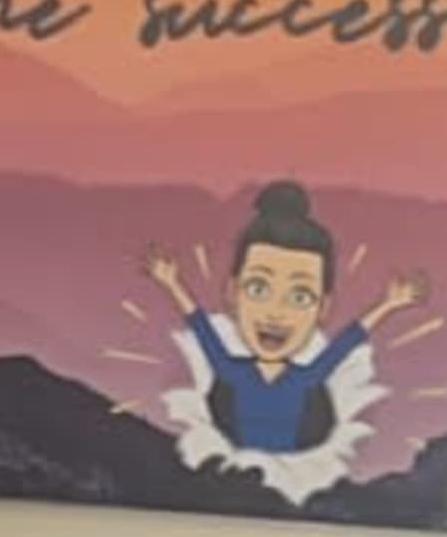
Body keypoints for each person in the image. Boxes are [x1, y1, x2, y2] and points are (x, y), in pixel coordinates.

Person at [150, 183, 427, 468]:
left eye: (300, 296)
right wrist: (172, 284)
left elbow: (348, 341)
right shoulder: (231, 370)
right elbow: (201, 328)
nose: (276, 313)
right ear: (233, 292)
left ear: (323, 308)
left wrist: (390, 304)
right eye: (258, 289)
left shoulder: (306, 378)